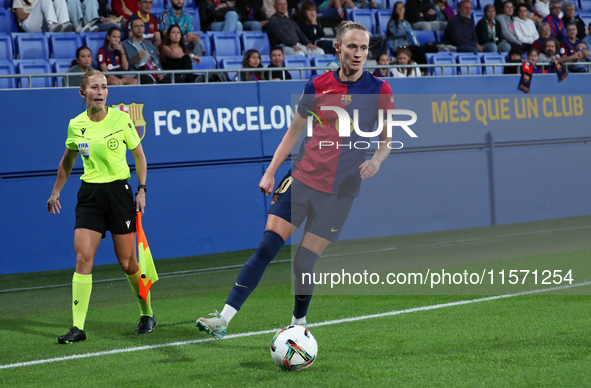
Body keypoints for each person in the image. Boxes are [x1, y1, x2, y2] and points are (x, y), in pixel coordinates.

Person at [196, 21, 394, 339]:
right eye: (352, 47)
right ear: (338, 48)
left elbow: (386, 139)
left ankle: (298, 324)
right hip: (301, 179)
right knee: (267, 247)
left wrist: (376, 160)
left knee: (302, 262)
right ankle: (223, 318)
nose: (359, 53)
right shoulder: (317, 85)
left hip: (340, 193)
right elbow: (293, 132)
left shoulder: (380, 90)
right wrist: (270, 171)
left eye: (364, 47)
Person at [47, 70, 154, 344]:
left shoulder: (121, 119)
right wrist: (56, 191)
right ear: (82, 92)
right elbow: (68, 160)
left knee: (129, 263)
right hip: (90, 196)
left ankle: (147, 313)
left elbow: (139, 156)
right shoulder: (76, 125)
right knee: (83, 258)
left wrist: (142, 189)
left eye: (104, 87)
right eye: (94, 87)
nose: (100, 92)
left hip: (119, 193)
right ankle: (77, 327)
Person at [123, 17, 171, 84]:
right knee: (147, 79)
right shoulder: (124, 45)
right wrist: (136, 58)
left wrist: (161, 72)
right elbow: (124, 67)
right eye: (136, 26)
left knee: (173, 79)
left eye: (141, 26)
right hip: (137, 75)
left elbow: (157, 63)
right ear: (131, 29)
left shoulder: (149, 45)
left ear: (144, 28)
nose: (139, 28)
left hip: (153, 74)